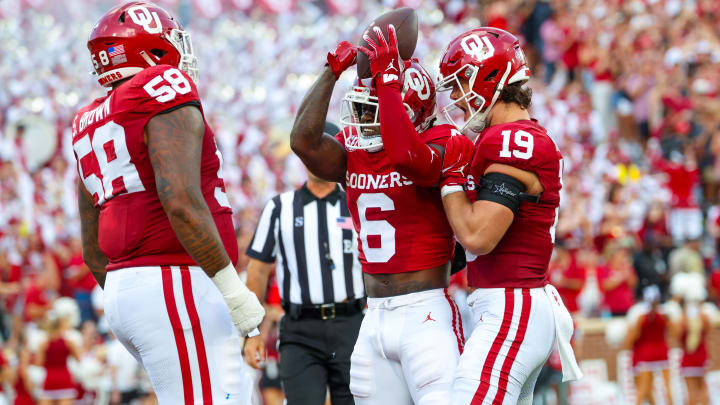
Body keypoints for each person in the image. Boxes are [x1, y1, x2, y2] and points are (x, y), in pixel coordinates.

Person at [72, 2, 265, 403]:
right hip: (174, 278)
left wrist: (134, 298)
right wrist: (233, 292)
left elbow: (92, 249)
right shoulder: (160, 87)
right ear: (151, 50)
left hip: (130, 285)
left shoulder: (89, 119)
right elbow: (179, 200)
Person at [290, 31, 464, 404]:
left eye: (375, 109)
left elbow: (407, 158)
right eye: (362, 108)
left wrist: (387, 82)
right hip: (373, 318)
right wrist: (330, 73)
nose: (364, 120)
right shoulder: (356, 154)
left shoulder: (442, 140)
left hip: (426, 314)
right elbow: (303, 142)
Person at [433, 27, 582, 404]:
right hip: (510, 304)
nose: (454, 97)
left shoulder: (513, 140)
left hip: (512, 302)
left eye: (459, 83)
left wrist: (450, 179)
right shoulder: (506, 137)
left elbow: (478, 236)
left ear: (489, 77)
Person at [243, 153, 365, 405]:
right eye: (311, 149)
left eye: (322, 149)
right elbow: (257, 272)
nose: (317, 156)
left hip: (352, 326)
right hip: (300, 331)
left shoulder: (357, 202)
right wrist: (251, 332)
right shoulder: (279, 207)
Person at [624, 287, 672, 405]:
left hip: (647, 354)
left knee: (643, 387)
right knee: (668, 387)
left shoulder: (642, 317)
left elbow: (633, 337)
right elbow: (673, 332)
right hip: (662, 351)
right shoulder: (664, 317)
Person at [35, 314, 80, 405]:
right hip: (65, 379)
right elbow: (78, 358)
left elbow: (39, 363)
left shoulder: (44, 344)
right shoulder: (69, 343)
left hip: (50, 379)